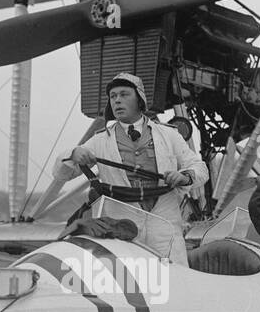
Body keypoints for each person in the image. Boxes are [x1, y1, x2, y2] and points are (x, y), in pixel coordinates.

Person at [53, 73, 207, 251]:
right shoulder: (99, 140)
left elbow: (199, 167)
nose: (117, 100)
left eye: (124, 94)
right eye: (113, 96)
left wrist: (185, 177)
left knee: (173, 273)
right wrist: (73, 154)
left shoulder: (169, 134)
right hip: (121, 226)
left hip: (164, 223)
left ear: (139, 100)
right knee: (125, 276)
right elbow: (61, 174)